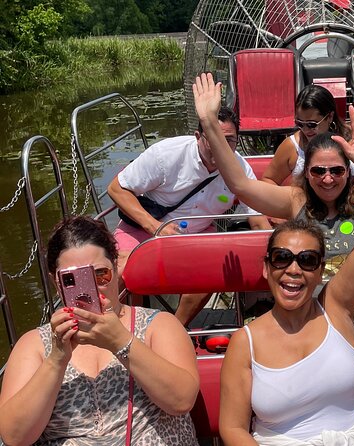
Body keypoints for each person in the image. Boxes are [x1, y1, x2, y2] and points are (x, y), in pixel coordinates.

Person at [212, 81, 354, 444]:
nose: (293, 269)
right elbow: (232, 430)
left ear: (320, 270)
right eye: (281, 258)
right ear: (266, 268)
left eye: (307, 260)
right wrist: (210, 125)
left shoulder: (336, 308)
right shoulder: (247, 341)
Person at [193, 56, 354, 344]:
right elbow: (240, 184)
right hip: (308, 311)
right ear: (306, 173)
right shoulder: (296, 200)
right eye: (318, 171)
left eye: (336, 171)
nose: (328, 178)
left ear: (348, 172)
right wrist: (209, 122)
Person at [0, 216, 199, 445]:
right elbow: (15, 437)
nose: (92, 289)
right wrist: (56, 359)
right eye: (71, 280)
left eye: (100, 275)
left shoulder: (159, 325)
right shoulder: (35, 344)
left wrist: (120, 342)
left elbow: (181, 401)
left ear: (116, 267)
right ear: (55, 283)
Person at [107, 106, 271, 326]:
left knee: (213, 269)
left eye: (229, 140)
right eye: (212, 139)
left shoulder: (240, 169)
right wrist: (154, 226)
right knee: (115, 272)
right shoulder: (165, 154)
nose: (219, 147)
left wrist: (276, 253)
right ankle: (110, 332)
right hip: (143, 228)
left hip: (198, 233)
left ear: (237, 141)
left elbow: (257, 219)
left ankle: (175, 328)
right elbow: (116, 188)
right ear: (198, 137)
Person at [261, 84, 352, 187]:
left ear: (330, 117)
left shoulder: (350, 139)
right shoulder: (292, 146)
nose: (305, 130)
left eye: (311, 124)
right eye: (299, 123)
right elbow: (268, 180)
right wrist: (293, 198)